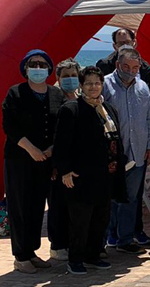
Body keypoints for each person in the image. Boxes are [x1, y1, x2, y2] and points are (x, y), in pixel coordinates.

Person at [52, 65, 124, 275]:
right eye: (89, 83)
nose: (94, 87)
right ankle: (75, 259)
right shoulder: (71, 109)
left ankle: (93, 255)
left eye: (97, 83)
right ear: (82, 86)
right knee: (80, 221)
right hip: (80, 177)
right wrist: (64, 171)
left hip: (105, 176)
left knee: (100, 219)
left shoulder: (109, 110)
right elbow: (62, 144)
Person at [1, 49, 65, 273]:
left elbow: (61, 126)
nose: (38, 68)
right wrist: (31, 149)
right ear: (26, 68)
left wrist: (50, 149)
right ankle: (20, 255)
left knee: (38, 206)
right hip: (20, 158)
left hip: (46, 159)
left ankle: (31, 250)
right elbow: (10, 126)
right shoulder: (15, 93)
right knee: (20, 206)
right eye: (33, 64)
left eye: (42, 64)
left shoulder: (55, 94)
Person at [102, 48, 150, 253]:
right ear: (117, 65)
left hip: (138, 152)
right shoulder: (105, 85)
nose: (131, 71)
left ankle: (125, 239)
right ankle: (109, 235)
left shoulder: (143, 87)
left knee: (130, 198)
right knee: (111, 197)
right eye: (126, 67)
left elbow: (149, 119)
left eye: (135, 67)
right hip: (113, 154)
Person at [46, 58, 82, 262]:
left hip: (79, 163)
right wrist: (55, 163)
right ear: (58, 79)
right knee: (58, 205)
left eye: (73, 75)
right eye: (66, 76)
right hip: (59, 164)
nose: (70, 79)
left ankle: (74, 242)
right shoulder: (53, 100)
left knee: (75, 206)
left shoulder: (83, 98)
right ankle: (57, 244)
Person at [96, 28, 150, 92]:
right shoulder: (104, 65)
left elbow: (148, 95)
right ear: (115, 46)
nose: (125, 46)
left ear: (134, 43)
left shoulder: (145, 69)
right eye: (121, 43)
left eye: (127, 42)